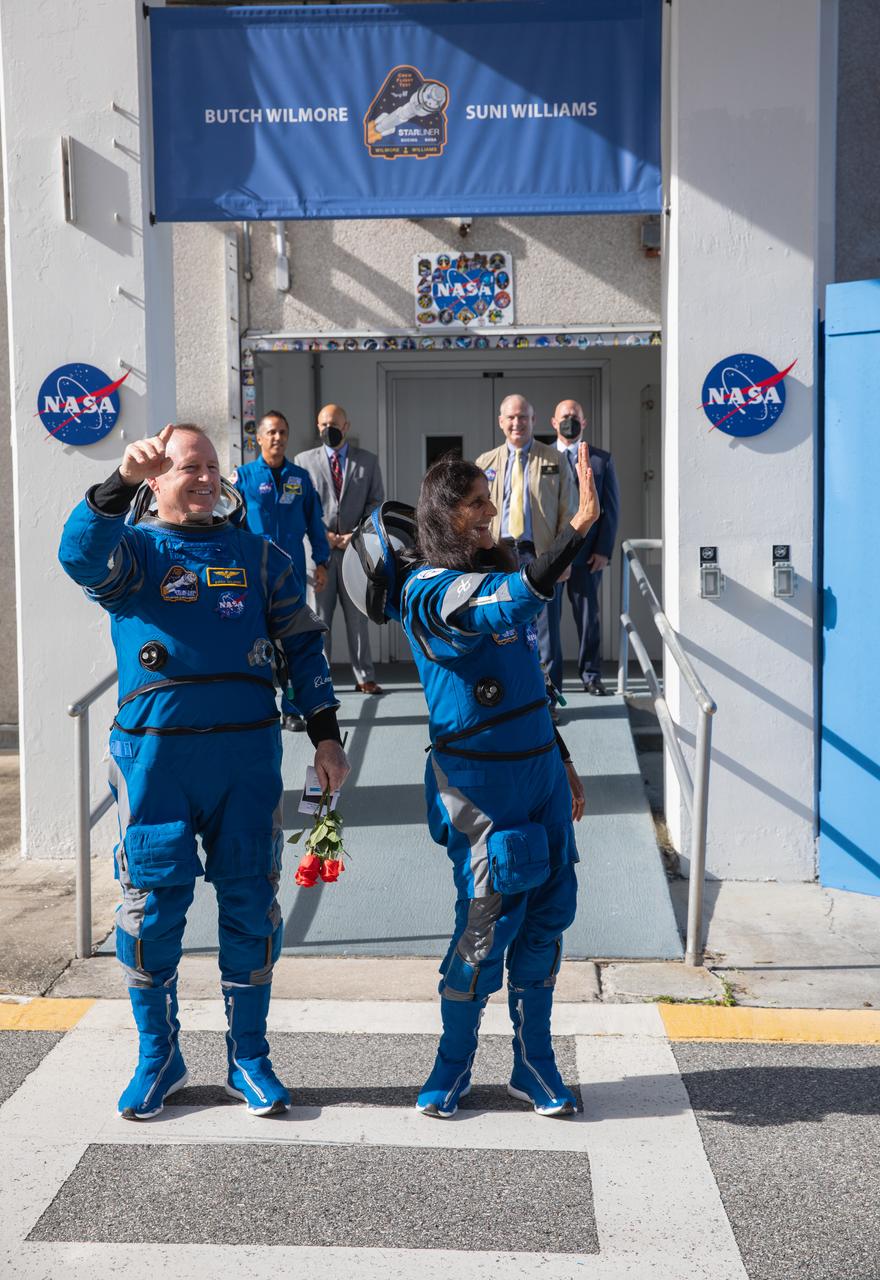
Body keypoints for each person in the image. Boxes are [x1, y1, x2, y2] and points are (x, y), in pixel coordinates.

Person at [58, 423, 350, 1121]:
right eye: (186, 466)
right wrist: (115, 485)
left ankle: (249, 1058)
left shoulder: (257, 557)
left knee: (251, 908)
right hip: (156, 762)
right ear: (155, 481)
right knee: (153, 910)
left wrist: (327, 737)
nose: (203, 477)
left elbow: (304, 647)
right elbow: (77, 556)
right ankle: (159, 1056)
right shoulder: (132, 553)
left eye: (212, 467)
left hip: (245, 762)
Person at [347, 447, 597, 1119]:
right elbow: (494, 608)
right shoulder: (428, 592)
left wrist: (564, 757)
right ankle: (451, 1065)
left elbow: (525, 687)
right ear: (441, 516)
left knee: (547, 921)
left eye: (489, 501)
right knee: (483, 930)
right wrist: (574, 532)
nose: (489, 513)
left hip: (538, 772)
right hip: (479, 789)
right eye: (475, 505)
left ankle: (533, 1062)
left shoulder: (497, 571)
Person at [232, 409, 331, 731]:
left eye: (283, 432)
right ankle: (256, 705)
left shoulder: (300, 479)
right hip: (253, 574)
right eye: (271, 432)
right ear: (258, 438)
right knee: (252, 640)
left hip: (290, 575)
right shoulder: (243, 478)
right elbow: (232, 527)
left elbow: (315, 524)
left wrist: (322, 561)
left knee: (292, 642)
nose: (277, 438)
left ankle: (291, 710)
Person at [475, 394, 577, 703]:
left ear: (533, 421)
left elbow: (568, 511)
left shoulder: (554, 460)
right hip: (498, 555)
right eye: (511, 417)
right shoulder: (485, 462)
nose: (517, 423)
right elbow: (472, 511)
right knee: (499, 626)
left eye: (523, 417)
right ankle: (510, 699)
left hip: (540, 554)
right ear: (501, 422)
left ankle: (548, 699)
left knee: (545, 633)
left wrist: (563, 558)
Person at [295, 404, 385, 693]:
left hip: (354, 551)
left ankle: (364, 676)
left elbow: (376, 502)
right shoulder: (303, 460)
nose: (327, 430)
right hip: (318, 552)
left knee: (357, 615)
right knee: (318, 617)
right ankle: (322, 678)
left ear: (346, 426)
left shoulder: (367, 462)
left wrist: (355, 533)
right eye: (322, 425)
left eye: (332, 424)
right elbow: (303, 505)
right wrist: (324, 536)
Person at [549, 400, 620, 696]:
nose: (569, 421)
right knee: (547, 623)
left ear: (584, 422)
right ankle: (549, 682)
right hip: (551, 557)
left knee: (589, 618)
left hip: (588, 556)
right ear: (554, 422)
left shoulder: (601, 460)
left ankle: (591, 675)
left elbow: (611, 508)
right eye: (564, 417)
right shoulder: (542, 458)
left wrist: (604, 550)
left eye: (574, 417)